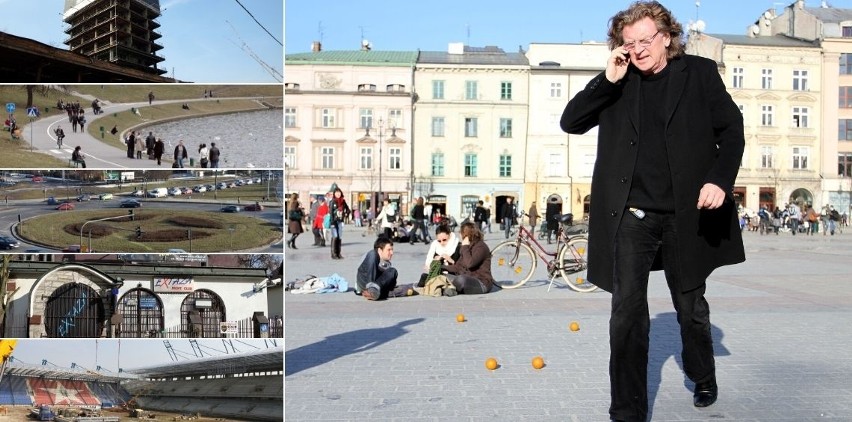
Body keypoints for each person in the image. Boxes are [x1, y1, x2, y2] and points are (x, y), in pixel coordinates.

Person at [559, 2, 745, 420]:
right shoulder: (617, 82)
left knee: (690, 308)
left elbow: (732, 130)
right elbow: (571, 122)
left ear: (666, 37)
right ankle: (627, 409)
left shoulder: (698, 73)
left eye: (646, 40)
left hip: (687, 214)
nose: (639, 49)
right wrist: (606, 80)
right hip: (631, 216)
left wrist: (719, 179)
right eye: (629, 43)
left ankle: (702, 374)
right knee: (626, 313)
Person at [441, 221, 494, 295]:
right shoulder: (467, 247)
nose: (460, 237)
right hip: (466, 278)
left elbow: (470, 263)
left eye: (461, 234)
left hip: (481, 282)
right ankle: (449, 289)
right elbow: (458, 267)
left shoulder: (481, 247)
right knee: (439, 276)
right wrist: (442, 267)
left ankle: (449, 289)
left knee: (461, 279)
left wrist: (465, 247)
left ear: (467, 235)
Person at [328, 184, 350, 259]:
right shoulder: (332, 202)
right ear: (334, 194)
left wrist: (346, 214)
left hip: (340, 221)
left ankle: (338, 253)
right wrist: (332, 222)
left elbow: (348, 209)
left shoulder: (343, 201)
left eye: (339, 193)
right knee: (335, 236)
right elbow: (330, 212)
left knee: (339, 237)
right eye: (336, 193)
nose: (338, 194)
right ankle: (333, 253)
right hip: (334, 221)